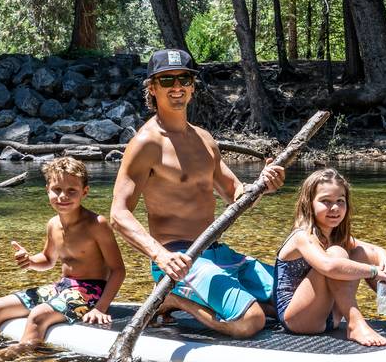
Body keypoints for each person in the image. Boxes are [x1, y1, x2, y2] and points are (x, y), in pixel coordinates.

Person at [110, 48, 285, 338]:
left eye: (184, 79)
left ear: (192, 86)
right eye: (167, 81)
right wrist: (160, 256)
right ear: (152, 88)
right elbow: (118, 213)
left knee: (298, 302)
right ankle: (173, 299)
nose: (176, 87)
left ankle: (223, 298)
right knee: (251, 321)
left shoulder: (204, 139)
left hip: (218, 253)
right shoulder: (146, 143)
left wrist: (262, 185)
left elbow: (235, 195)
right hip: (179, 259)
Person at [0, 157, 125, 362]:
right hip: (62, 286)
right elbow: (47, 259)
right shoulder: (53, 224)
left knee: (38, 316)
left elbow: (118, 270)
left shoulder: (96, 224)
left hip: (91, 291)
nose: (63, 196)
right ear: (47, 190)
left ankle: (11, 356)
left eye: (72, 190)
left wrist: (101, 307)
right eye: (57, 189)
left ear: (85, 192)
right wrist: (30, 261)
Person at [274, 168, 386, 346]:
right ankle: (355, 323)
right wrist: (372, 271)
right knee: (337, 254)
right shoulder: (302, 236)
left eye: (340, 201)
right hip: (299, 320)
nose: (335, 208)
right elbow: (328, 266)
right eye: (325, 201)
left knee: (360, 253)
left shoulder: (335, 236)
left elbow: (374, 251)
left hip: (331, 316)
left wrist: (385, 263)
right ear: (308, 203)